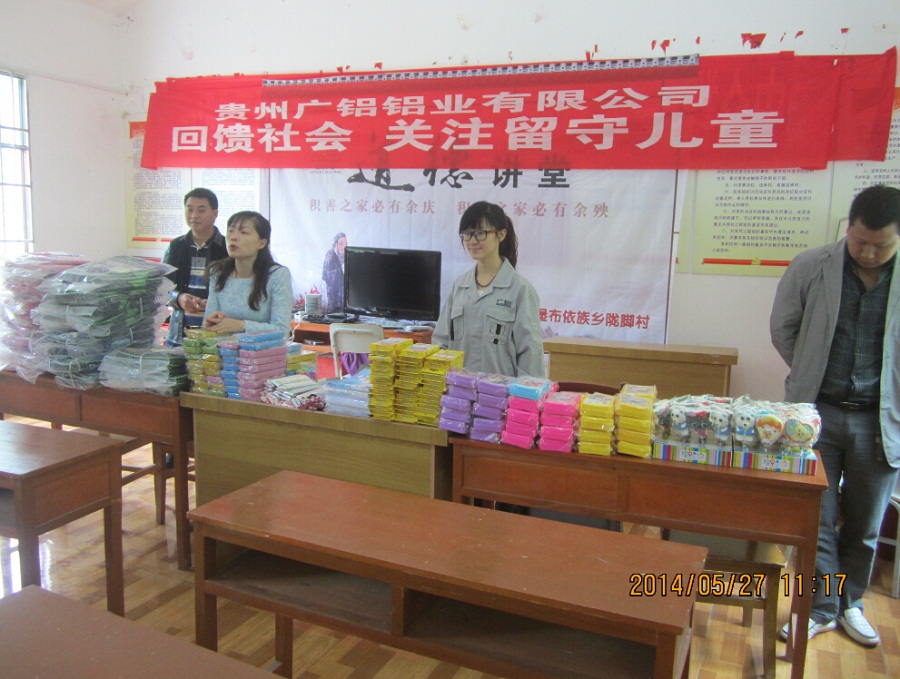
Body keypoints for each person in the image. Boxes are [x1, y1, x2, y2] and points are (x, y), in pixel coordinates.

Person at [770, 184, 900, 647]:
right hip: (816, 413)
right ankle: (820, 607)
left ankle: (850, 604)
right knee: (815, 520)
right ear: (849, 227)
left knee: (865, 524)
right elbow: (783, 328)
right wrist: (810, 370)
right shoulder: (812, 266)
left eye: (881, 245)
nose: (869, 252)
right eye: (860, 240)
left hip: (879, 420)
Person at [433, 201, 544, 377]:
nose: (472, 241)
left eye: (480, 233)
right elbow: (441, 341)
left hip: (500, 391)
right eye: (467, 234)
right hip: (458, 390)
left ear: (501, 234)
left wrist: (526, 392)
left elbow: (530, 353)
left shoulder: (520, 289)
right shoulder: (459, 286)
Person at [203, 211, 294, 338]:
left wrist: (241, 326)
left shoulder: (277, 275)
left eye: (243, 232)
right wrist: (212, 323)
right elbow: (207, 323)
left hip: (265, 349)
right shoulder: (218, 272)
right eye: (231, 231)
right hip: (225, 348)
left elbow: (282, 330)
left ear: (261, 243)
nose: (233, 237)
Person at [162, 188, 228, 345]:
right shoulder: (176, 246)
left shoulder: (227, 247)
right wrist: (179, 298)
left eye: (201, 210)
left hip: (216, 335)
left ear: (215, 213)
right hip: (179, 334)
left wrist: (214, 303)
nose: (194, 215)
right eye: (190, 209)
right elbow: (162, 287)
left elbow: (238, 291)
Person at [322, 232, 347, 314]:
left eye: (346, 244)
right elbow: (333, 284)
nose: (344, 247)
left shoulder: (340, 256)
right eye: (341, 244)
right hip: (335, 301)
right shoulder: (331, 257)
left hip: (338, 300)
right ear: (336, 245)